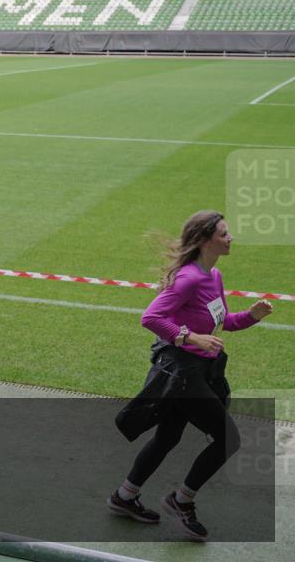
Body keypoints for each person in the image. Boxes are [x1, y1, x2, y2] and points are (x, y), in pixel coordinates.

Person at [108, 210, 273, 540]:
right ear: (205, 240)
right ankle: (181, 500)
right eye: (224, 234)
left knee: (167, 438)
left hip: (197, 370)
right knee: (228, 439)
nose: (230, 238)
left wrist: (252, 316)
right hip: (182, 374)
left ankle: (125, 496)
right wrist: (190, 337)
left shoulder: (214, 275)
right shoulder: (189, 279)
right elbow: (151, 317)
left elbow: (223, 321)